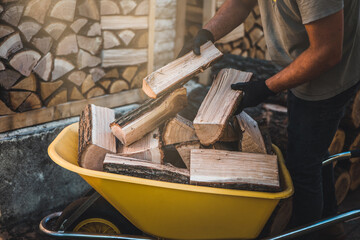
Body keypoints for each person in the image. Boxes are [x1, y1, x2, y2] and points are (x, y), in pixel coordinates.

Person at [178, 0, 360, 239]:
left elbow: (326, 52)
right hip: (303, 61)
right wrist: (208, 33)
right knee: (312, 149)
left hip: (328, 77)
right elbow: (241, 4)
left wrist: (265, 88)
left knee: (302, 167)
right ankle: (330, 224)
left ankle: (309, 234)